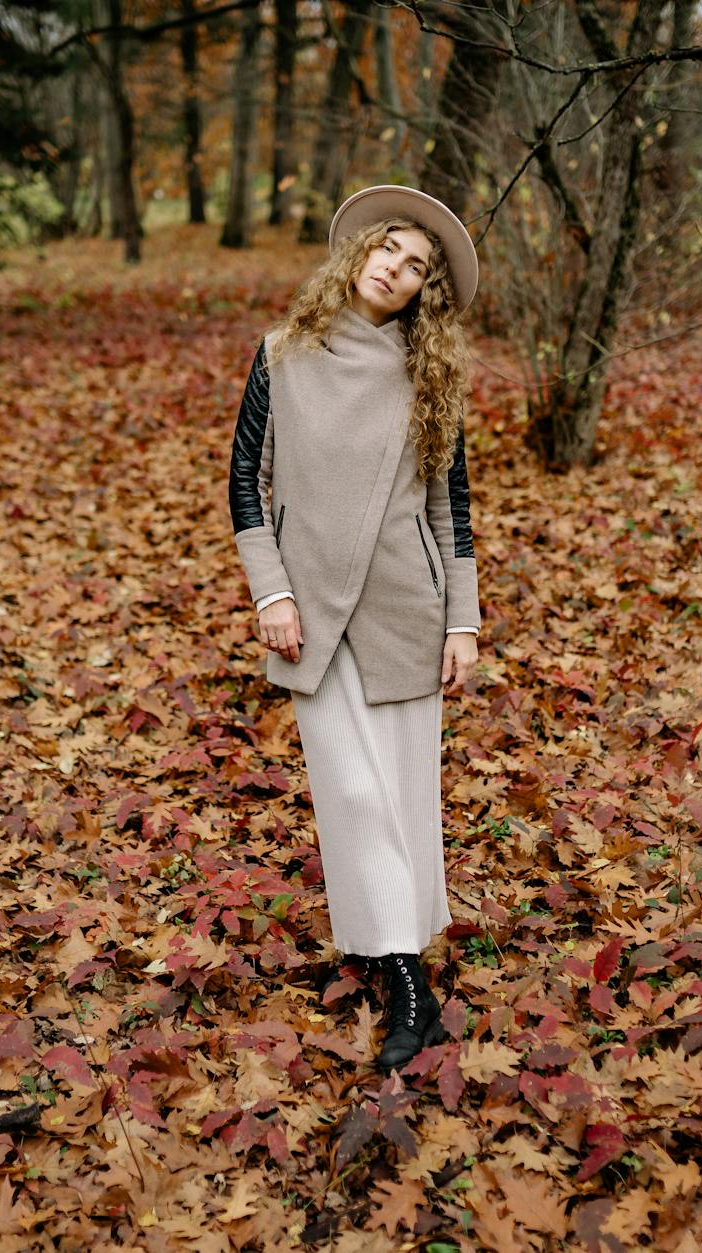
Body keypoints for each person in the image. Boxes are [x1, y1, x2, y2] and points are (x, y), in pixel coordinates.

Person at [225, 184, 482, 1075]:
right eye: (390, 249)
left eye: (417, 268)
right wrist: (272, 594)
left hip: (408, 604)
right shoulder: (281, 353)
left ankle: (394, 952)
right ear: (359, 249)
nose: (398, 270)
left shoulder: (430, 374)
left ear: (424, 291)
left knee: (407, 795)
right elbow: (243, 486)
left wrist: (465, 617)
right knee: (353, 794)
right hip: (309, 612)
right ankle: (411, 984)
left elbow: (453, 503)